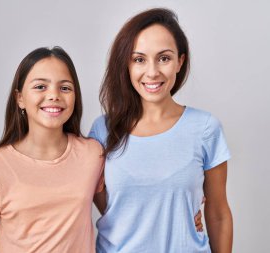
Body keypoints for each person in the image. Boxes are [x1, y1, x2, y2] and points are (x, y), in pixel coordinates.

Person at [89, 8, 233, 253]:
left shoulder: (205, 128)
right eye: (139, 59)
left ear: (180, 62)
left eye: (164, 58)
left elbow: (218, 213)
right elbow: (109, 208)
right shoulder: (103, 130)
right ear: (126, 64)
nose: (152, 72)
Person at [0, 47, 107, 253]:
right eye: (40, 86)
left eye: (65, 88)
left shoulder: (92, 154)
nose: (54, 95)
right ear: (20, 98)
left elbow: (118, 217)